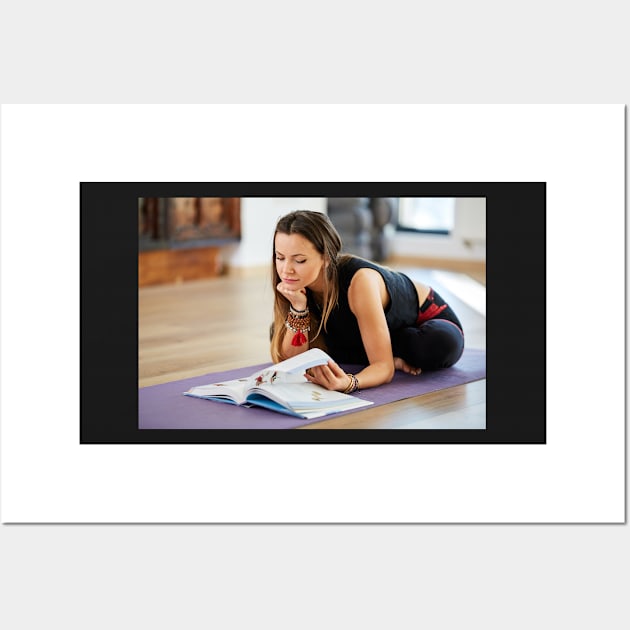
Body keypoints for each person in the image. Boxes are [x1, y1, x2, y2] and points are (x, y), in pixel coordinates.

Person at [270, 210, 464, 393]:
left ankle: (386, 350)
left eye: (299, 260)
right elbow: (293, 361)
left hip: (424, 322)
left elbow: (383, 369)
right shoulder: (293, 284)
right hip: (362, 329)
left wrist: (350, 382)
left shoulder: (360, 281)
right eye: (280, 258)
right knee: (280, 331)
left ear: (326, 258)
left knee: (435, 344)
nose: (287, 269)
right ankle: (385, 351)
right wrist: (298, 308)